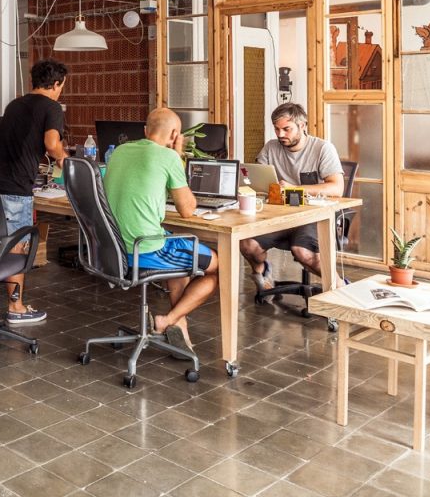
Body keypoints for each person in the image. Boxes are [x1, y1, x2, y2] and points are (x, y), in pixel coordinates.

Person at [104, 107, 219, 353]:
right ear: (176, 134)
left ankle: (181, 325)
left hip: (111, 249)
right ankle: (168, 320)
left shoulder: (120, 151)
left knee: (179, 261)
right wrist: (176, 156)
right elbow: (187, 209)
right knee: (216, 266)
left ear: (145, 131)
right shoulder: (168, 158)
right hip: (143, 248)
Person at [0, 59, 68, 325]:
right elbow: (51, 144)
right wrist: (63, 158)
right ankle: (15, 306)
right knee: (18, 247)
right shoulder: (52, 107)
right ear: (57, 83)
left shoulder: (15, 104)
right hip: (15, 188)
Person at [240, 103, 345, 290]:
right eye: (277, 129)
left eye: (286, 129)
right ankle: (262, 271)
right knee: (248, 244)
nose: (280, 135)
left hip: (313, 216)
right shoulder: (271, 148)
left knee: (304, 253)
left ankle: (340, 289)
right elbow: (255, 179)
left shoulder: (322, 148)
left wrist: (294, 189)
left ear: (302, 126)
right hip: (280, 214)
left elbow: (337, 188)